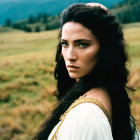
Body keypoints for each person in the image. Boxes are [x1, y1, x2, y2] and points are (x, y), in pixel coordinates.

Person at [32, 3, 140, 140]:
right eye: (65, 44)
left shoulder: (87, 116)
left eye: (82, 44)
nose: (70, 56)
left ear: (105, 49)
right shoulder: (110, 93)